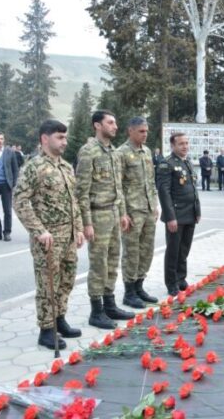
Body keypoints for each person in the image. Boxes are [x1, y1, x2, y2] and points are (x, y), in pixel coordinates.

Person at [13, 120, 85, 350]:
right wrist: (39, 231)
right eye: (60, 137)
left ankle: (59, 319)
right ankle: (46, 329)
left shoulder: (65, 167)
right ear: (45, 139)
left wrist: (80, 229)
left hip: (69, 237)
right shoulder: (33, 167)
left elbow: (74, 201)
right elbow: (20, 201)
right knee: (48, 284)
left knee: (66, 280)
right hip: (48, 240)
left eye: (65, 137)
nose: (64, 142)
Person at [75, 110, 134, 329]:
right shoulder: (88, 152)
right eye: (110, 122)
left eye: (115, 122)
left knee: (112, 262)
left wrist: (123, 213)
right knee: (98, 264)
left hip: (114, 213)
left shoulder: (113, 152)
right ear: (97, 125)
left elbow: (119, 187)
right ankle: (96, 311)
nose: (115, 126)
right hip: (97, 215)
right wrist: (86, 223)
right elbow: (81, 191)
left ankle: (110, 304)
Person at [117, 117, 160, 309]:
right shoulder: (121, 153)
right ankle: (129, 292)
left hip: (148, 209)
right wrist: (123, 213)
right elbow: (117, 186)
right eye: (141, 131)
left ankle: (139, 285)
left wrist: (155, 205)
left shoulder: (147, 152)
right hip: (132, 211)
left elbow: (150, 181)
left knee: (147, 250)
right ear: (130, 131)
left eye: (146, 131)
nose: (145, 134)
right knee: (131, 252)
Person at [156, 133, 201, 296]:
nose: (185, 146)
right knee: (173, 250)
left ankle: (181, 278)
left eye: (187, 143)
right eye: (181, 144)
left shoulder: (187, 162)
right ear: (173, 146)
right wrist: (170, 217)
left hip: (190, 214)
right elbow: (164, 192)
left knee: (184, 249)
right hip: (176, 215)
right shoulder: (166, 164)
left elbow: (194, 190)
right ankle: (171, 282)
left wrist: (197, 211)